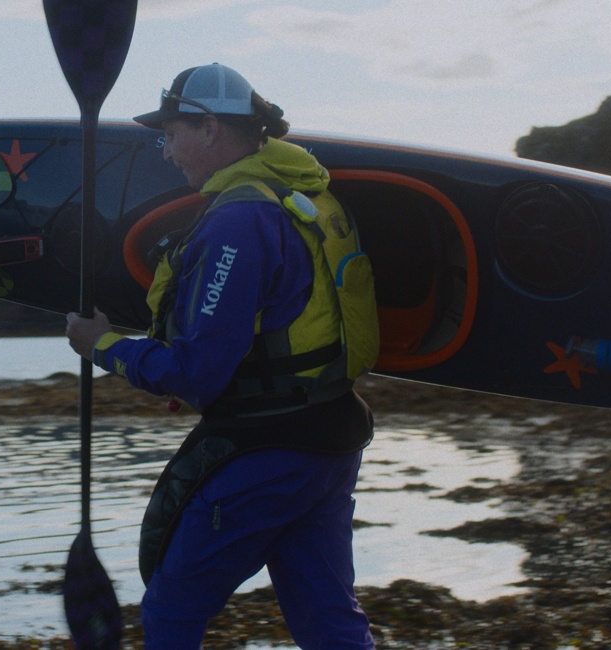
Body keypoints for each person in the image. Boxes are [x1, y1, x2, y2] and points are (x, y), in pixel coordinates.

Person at [65, 63, 377, 649]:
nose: (165, 151)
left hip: (270, 451)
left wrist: (101, 345)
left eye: (171, 132)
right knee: (328, 619)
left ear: (209, 128)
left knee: (171, 612)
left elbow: (197, 374)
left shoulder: (238, 220)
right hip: (330, 439)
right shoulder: (300, 194)